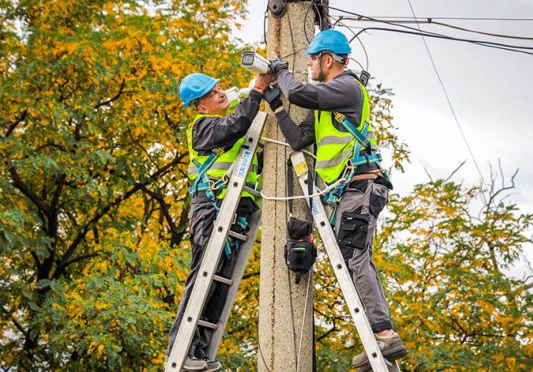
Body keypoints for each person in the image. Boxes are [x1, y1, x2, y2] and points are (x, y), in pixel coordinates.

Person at [264, 29, 408, 370]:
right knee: (352, 259)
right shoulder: (326, 102)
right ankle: (377, 341)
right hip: (349, 192)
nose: (309, 65)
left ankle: (385, 335)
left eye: (313, 59)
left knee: (355, 259)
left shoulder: (347, 87)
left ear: (327, 59)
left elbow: (299, 92)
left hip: (360, 187)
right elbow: (299, 140)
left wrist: (279, 70)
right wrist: (276, 106)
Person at [167, 71, 273, 371]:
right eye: (211, 94)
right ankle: (183, 349)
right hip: (211, 209)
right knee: (204, 277)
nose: (219, 94)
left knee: (219, 285)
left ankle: (199, 353)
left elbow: (244, 136)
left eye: (218, 88)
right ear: (200, 106)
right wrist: (255, 92)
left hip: (235, 213)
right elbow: (234, 125)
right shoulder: (202, 127)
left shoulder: (230, 131)